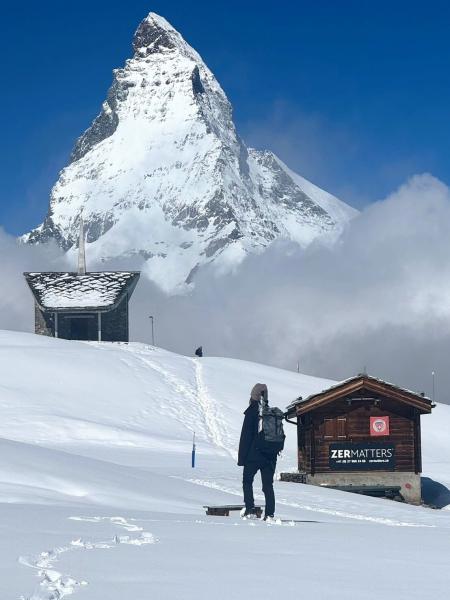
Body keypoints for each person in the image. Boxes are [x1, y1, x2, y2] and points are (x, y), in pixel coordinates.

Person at [237, 383, 277, 520]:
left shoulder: (251, 412)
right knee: (268, 485)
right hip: (270, 456)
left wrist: (242, 459)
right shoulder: (270, 412)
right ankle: (270, 514)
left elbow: (246, 436)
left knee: (247, 482)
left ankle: (250, 510)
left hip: (253, 456)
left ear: (253, 396)